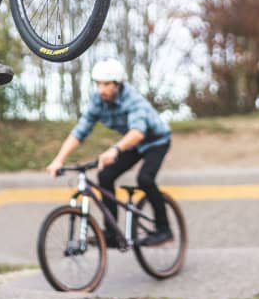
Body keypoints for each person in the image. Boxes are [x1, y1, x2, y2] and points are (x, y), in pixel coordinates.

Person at [45, 59, 173, 247]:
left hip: (156, 141)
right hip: (133, 144)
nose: (101, 89)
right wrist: (58, 160)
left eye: (106, 84)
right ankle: (112, 235)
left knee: (145, 179)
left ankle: (164, 229)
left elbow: (138, 133)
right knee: (105, 175)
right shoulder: (98, 101)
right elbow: (79, 132)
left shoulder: (132, 99)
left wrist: (115, 149)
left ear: (118, 84)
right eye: (98, 84)